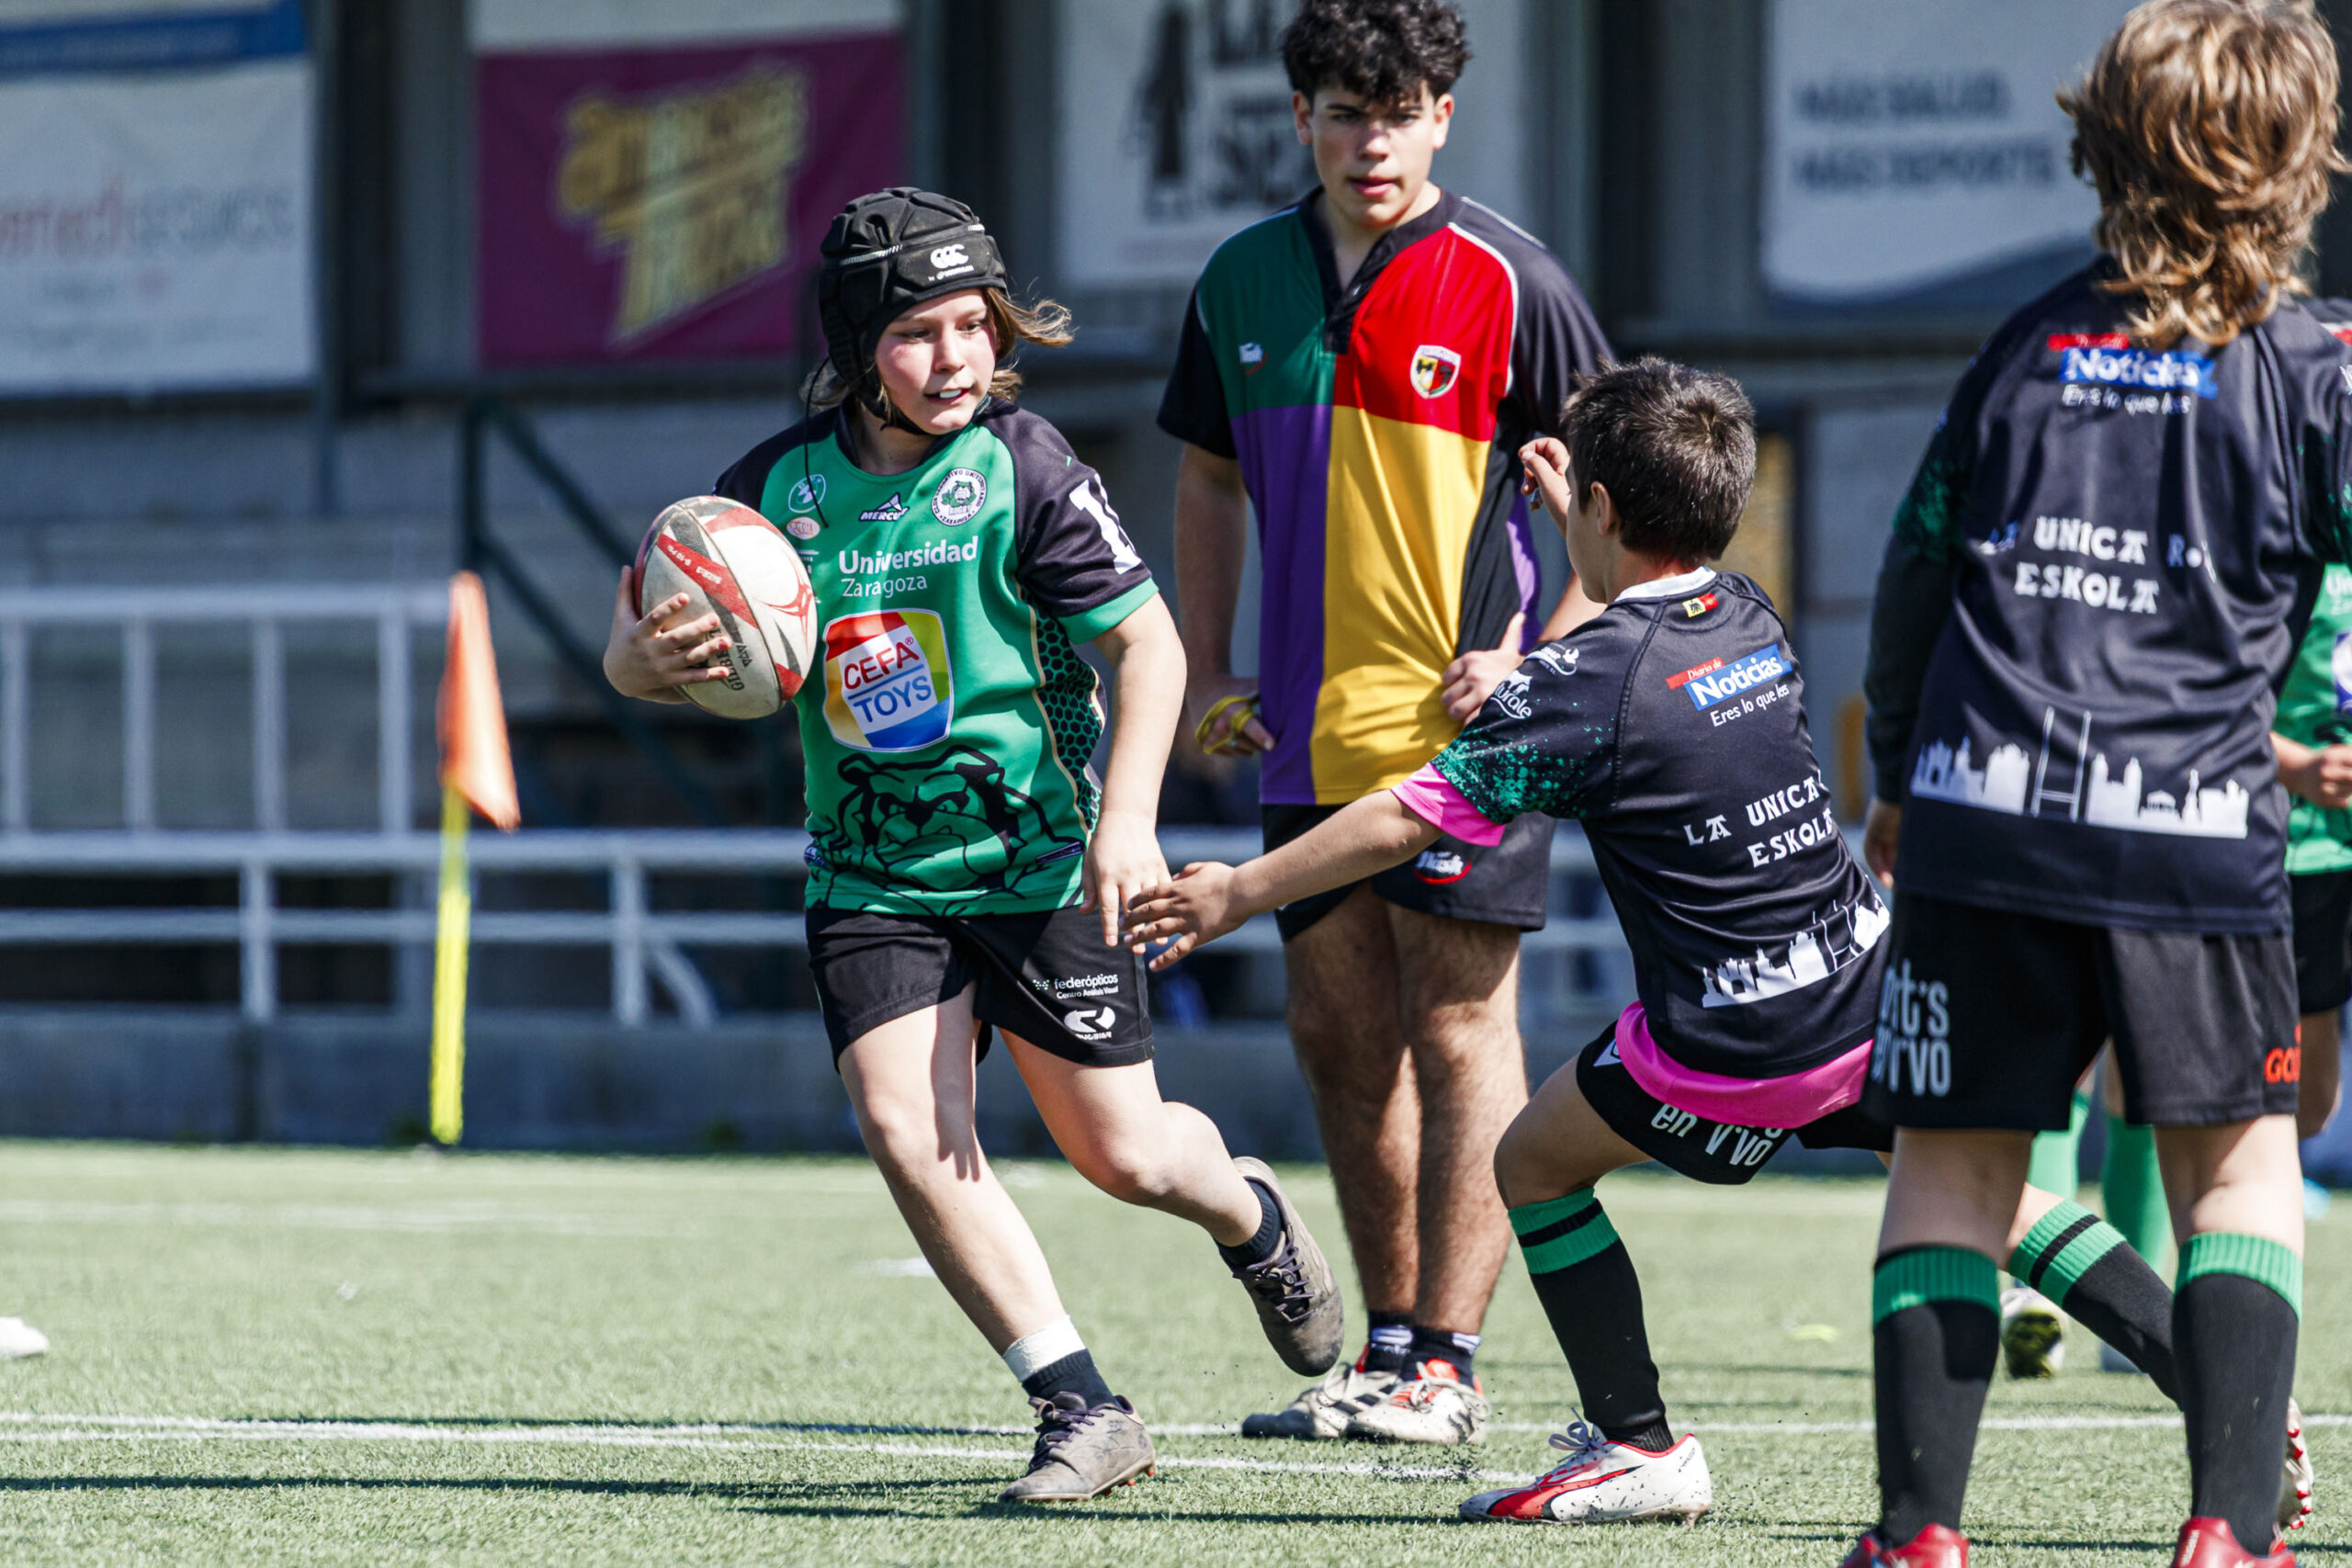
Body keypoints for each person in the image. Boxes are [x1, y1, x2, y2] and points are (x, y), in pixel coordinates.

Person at [1125, 358, 2222, 1530]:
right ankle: (2221, 1391)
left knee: (1532, 1165)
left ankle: (1637, 1444)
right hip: (1867, 989)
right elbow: (1633, 635)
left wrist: (1236, 890)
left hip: (1737, 1041)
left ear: (1601, 511)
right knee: (1989, 1202)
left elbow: (1407, 814)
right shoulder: (1744, 610)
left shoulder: (1583, 683)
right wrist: (1579, 535)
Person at [603, 188, 1341, 1504]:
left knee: (1125, 1154)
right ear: (854, 344)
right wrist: (642, 655)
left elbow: (1149, 644)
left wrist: (1128, 818)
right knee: (907, 1124)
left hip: (1042, 860)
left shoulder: (1025, 464)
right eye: (918, 334)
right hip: (871, 869)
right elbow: (644, 652)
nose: (956, 359)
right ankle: (1081, 1402)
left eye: (974, 327)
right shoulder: (769, 493)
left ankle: (1250, 1209)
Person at [1857, 3, 2346, 1562]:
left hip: (1983, 819)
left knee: (1955, 1163)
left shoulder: (2023, 346)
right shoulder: (2306, 372)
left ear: (2101, 144)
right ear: (2297, 164)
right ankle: (2228, 1529)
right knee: (2239, 1170)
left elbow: (1913, 577)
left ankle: (1922, 1536)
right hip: (2194, 832)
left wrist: (1891, 780)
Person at [1157, 0, 1609, 1445]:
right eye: (1347, 110)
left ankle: (1452, 1366)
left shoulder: (1512, 278)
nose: (1374, 139)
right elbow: (1211, 481)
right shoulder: (1238, 281)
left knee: (1459, 1020)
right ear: (1299, 117)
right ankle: (1394, 1343)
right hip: (1301, 730)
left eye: (1402, 108)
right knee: (1338, 1030)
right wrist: (1209, 664)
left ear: (1445, 118)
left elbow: (1620, 493)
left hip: (1466, 733)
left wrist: (1544, 651)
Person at [2271, 299, 2352, 1155]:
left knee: (2312, 1101)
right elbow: (2180, 696)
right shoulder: (2267, 532)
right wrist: (2289, 762)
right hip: (2285, 847)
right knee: (2295, 1098)